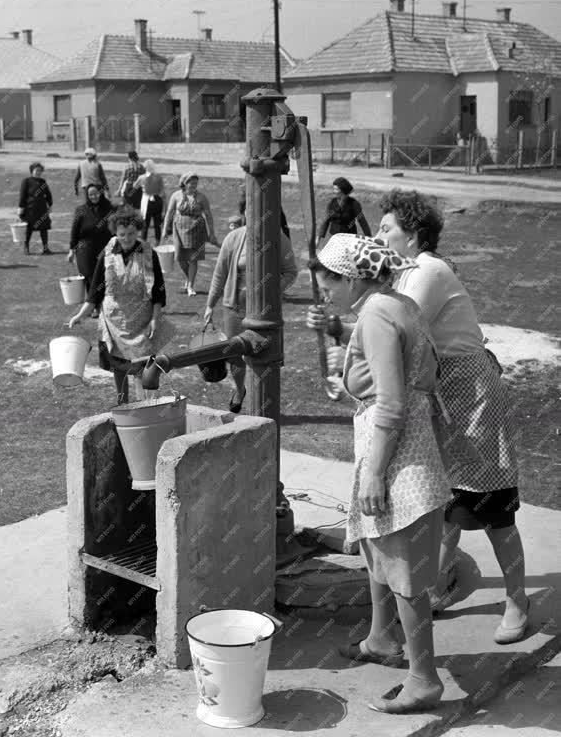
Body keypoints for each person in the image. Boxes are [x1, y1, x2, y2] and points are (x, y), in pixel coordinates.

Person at [308, 188, 527, 645]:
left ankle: (516, 600)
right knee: (443, 500)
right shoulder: (401, 282)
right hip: (436, 390)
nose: (379, 234)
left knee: (490, 505)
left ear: (413, 235)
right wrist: (336, 326)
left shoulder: (427, 272)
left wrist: (340, 331)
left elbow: (395, 334)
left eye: (387, 227)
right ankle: (435, 583)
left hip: (469, 393)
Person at [313, 234, 450, 714]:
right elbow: (419, 375)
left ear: (352, 279)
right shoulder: (400, 303)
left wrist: (374, 472)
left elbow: (391, 401)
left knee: (403, 566)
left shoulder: (374, 315)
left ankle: (424, 679)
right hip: (411, 443)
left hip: (397, 453)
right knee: (380, 545)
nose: (323, 291)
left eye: (329, 283)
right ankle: (380, 637)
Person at [68, 208, 173, 403]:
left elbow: (159, 290)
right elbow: (95, 290)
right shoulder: (107, 253)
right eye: (122, 234)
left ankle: (144, 405)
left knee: (143, 365)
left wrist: (155, 318)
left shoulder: (149, 253)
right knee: (119, 366)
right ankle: (122, 402)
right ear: (115, 233)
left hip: (141, 319)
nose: (127, 238)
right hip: (114, 321)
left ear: (138, 231)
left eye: (132, 234)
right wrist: (81, 314)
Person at [204, 217, 297, 413]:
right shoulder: (233, 238)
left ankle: (261, 404)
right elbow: (219, 274)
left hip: (266, 313)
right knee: (235, 357)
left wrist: (272, 291)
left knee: (265, 356)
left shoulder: (279, 238)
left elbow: (291, 272)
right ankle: (239, 391)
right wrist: (210, 304)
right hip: (235, 309)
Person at [162, 172, 216, 296]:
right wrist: (165, 229)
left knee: (193, 259)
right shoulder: (176, 195)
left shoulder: (202, 197)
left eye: (196, 183)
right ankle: (188, 278)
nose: (194, 185)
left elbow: (208, 215)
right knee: (180, 258)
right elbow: (169, 214)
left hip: (196, 229)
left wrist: (211, 233)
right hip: (179, 228)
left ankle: (190, 285)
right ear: (184, 183)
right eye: (191, 183)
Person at [68, 184, 114, 315]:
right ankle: (95, 306)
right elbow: (74, 231)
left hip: (105, 248)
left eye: (96, 193)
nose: (94, 196)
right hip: (85, 249)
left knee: (105, 276)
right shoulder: (81, 210)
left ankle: (103, 304)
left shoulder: (110, 209)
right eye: (90, 194)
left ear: (101, 193)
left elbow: (116, 229)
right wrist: (72, 250)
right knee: (90, 277)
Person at [316, 177, 372, 247]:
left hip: (349, 238)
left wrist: (369, 237)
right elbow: (326, 221)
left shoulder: (354, 204)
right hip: (335, 238)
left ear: (343, 190)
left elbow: (362, 221)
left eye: (336, 189)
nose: (334, 191)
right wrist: (318, 238)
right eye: (334, 189)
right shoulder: (332, 203)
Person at [18, 162, 53, 255]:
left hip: (42, 209)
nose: (38, 172)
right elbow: (22, 195)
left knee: (44, 228)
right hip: (30, 209)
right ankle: (26, 248)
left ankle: (45, 248)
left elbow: (48, 195)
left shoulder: (43, 182)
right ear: (32, 171)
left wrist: (50, 205)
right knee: (28, 229)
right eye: (36, 170)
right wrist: (21, 207)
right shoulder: (26, 181)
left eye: (40, 170)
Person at [133, 159, 165, 245]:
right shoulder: (159, 177)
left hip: (146, 201)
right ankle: (157, 242)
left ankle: (143, 241)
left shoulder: (142, 177)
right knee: (157, 224)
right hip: (157, 200)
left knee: (145, 224)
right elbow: (162, 192)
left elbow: (135, 186)